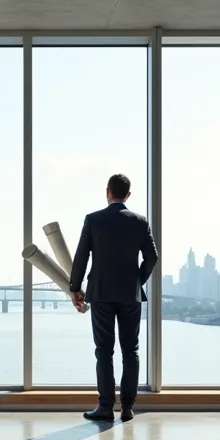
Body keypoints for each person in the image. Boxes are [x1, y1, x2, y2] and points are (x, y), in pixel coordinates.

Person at [68, 174, 159, 422]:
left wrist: (74, 287)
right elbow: (152, 258)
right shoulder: (140, 222)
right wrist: (137, 280)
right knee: (131, 350)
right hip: (130, 295)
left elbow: (81, 257)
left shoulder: (93, 220)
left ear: (107, 191)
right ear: (128, 195)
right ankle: (128, 408)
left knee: (104, 352)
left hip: (101, 294)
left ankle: (106, 407)